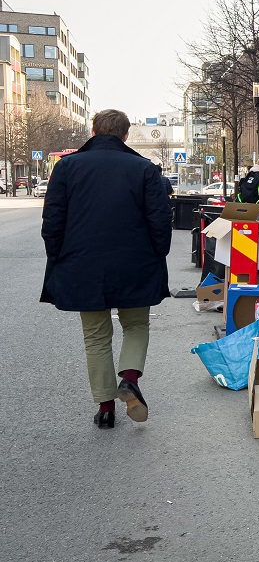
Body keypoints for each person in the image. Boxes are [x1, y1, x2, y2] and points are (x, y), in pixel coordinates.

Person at [40, 109, 172, 429]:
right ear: (126, 135)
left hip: (82, 263)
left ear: (94, 130)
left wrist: (57, 256)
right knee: (136, 325)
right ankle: (129, 378)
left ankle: (106, 407)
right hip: (135, 262)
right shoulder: (144, 169)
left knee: (96, 336)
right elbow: (160, 219)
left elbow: (53, 220)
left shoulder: (67, 167)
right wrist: (158, 253)